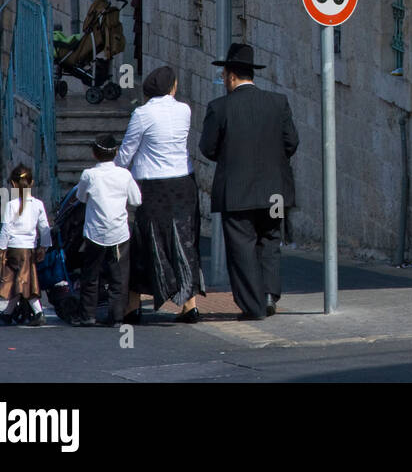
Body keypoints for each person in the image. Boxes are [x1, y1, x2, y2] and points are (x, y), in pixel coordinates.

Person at [200, 43, 299, 321]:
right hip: (274, 192)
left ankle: (253, 305)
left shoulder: (219, 108)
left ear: (231, 76)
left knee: (241, 247)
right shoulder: (278, 102)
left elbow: (207, 148)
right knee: (270, 240)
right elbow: (292, 142)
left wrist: (232, 158)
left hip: (237, 192)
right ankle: (269, 295)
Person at [116, 65, 205, 324]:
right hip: (184, 183)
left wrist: (116, 171)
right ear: (171, 87)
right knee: (184, 241)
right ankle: (190, 305)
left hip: (154, 187)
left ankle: (133, 305)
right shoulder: (184, 111)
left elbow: (127, 150)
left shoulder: (142, 114)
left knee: (145, 243)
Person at [74, 134, 142, 327]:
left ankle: (87, 314)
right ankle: (116, 316)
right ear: (116, 153)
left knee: (91, 274)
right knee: (118, 276)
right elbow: (136, 200)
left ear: (94, 154)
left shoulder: (89, 175)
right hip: (119, 231)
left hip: (95, 232)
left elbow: (81, 197)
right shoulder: (124, 175)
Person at [0, 165, 51, 326]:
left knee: (22, 281)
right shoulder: (38, 204)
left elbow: (6, 228)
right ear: (32, 182)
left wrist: (1, 248)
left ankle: (38, 312)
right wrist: (44, 247)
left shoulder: (11, 205)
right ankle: (8, 313)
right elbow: (44, 227)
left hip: (14, 248)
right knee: (21, 280)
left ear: (14, 185)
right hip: (29, 248)